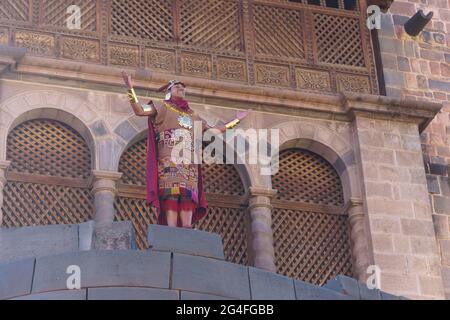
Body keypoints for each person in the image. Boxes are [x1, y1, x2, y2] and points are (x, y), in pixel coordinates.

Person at [121, 71, 250, 228]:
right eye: (177, 87)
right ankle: (171, 228)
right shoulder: (161, 107)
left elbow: (214, 131)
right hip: (169, 158)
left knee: (188, 195)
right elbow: (139, 111)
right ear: (169, 91)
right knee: (171, 194)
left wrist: (236, 120)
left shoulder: (193, 115)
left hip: (189, 161)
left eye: (183, 87)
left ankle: (187, 228)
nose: (181, 88)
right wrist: (130, 87)